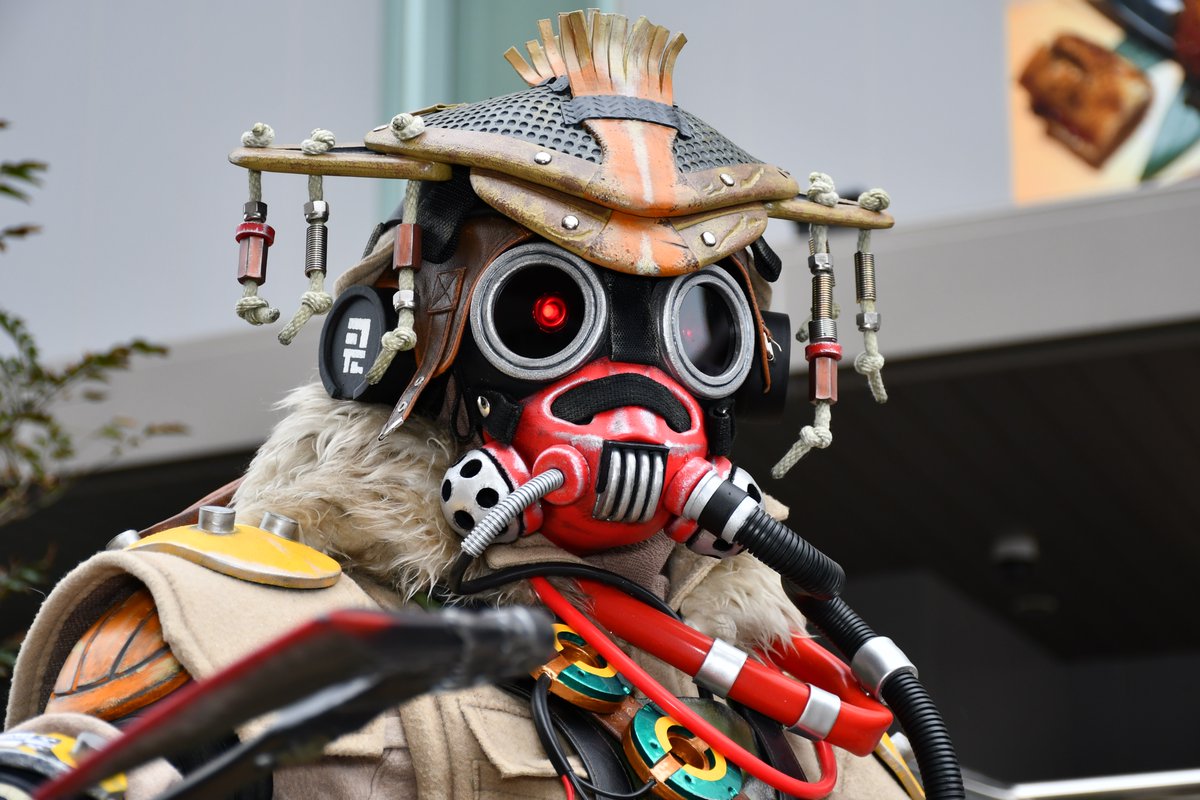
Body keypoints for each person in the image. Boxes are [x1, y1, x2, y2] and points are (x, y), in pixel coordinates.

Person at [1, 11, 940, 799]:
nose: (638, 385)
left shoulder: (815, 710)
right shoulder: (227, 632)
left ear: (750, 368)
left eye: (698, 329)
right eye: (544, 315)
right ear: (398, 351)